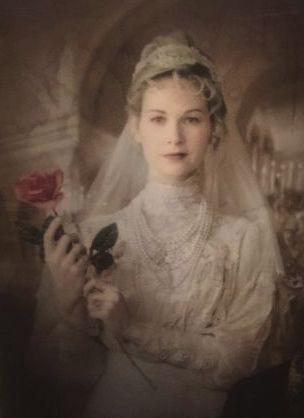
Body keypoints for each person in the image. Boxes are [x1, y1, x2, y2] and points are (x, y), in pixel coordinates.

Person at [38, 33, 284, 418]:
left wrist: (133, 329)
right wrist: (69, 308)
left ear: (214, 130)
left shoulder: (241, 238)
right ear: (135, 128)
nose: (174, 136)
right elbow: (67, 376)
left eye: (191, 119)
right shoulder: (92, 235)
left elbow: (236, 361)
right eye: (158, 119)